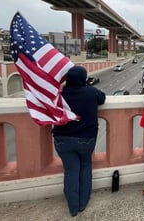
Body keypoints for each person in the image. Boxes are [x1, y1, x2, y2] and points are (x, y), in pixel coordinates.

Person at [52, 66, 106, 217]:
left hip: (62, 139)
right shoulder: (90, 92)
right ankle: (83, 202)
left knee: (70, 172)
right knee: (86, 166)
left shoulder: (59, 94)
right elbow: (102, 98)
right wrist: (87, 86)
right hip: (86, 138)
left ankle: (73, 207)